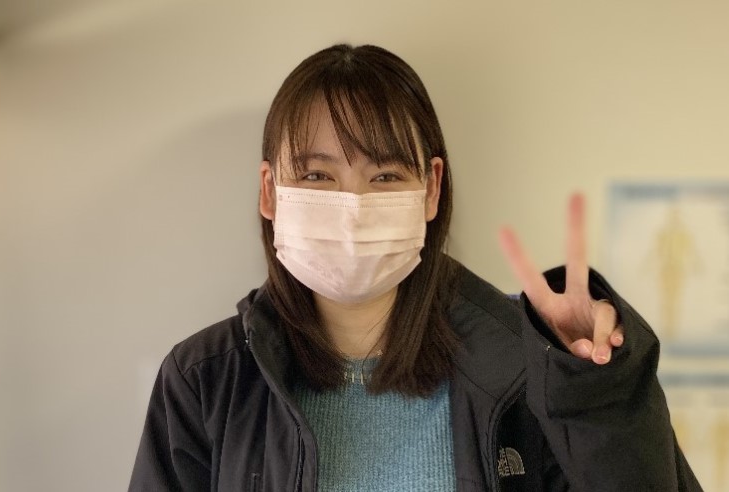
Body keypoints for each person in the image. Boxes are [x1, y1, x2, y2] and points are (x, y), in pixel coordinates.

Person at [128, 44, 702, 491]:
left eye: (384, 176)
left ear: (430, 190)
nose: (352, 207)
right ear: (270, 191)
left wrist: (591, 385)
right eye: (317, 175)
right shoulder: (204, 382)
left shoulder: (525, 369)